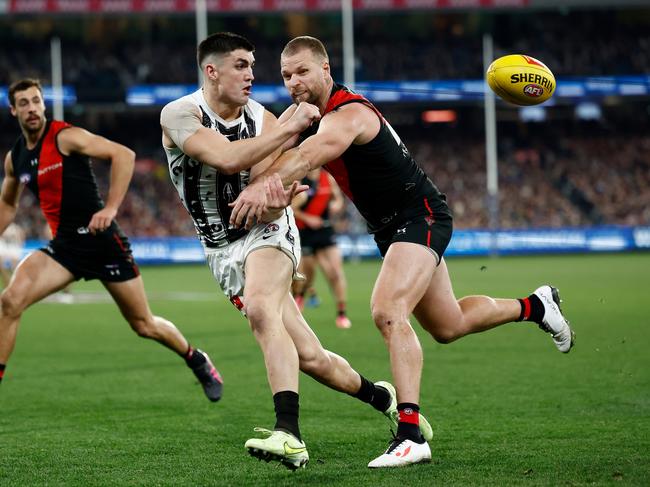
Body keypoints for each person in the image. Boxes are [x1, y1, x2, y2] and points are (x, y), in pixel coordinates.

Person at [229, 36, 576, 468]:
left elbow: (307, 155)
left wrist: (263, 185)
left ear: (325, 69)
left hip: (421, 213)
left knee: (388, 310)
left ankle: (410, 434)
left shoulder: (347, 113)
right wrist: (256, 174)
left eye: (302, 71)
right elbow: (268, 156)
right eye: (285, 75)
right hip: (390, 228)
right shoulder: (299, 117)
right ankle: (536, 306)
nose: (293, 82)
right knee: (448, 324)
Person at [159, 32, 433, 471]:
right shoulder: (181, 114)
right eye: (240, 65)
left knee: (262, 310)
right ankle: (382, 396)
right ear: (211, 71)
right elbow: (228, 159)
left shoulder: (263, 118)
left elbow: (270, 178)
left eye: (252, 65)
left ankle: (289, 434)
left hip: (269, 234)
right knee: (311, 358)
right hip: (221, 249)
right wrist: (290, 126)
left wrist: (279, 193)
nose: (252, 74)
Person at [0, 78, 223, 404]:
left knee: (144, 324)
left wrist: (111, 208)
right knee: (9, 302)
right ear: (13, 109)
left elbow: (123, 155)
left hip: (102, 242)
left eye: (36, 101)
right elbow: (8, 203)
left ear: (43, 105)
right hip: (64, 249)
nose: (32, 108)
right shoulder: (15, 159)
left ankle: (196, 358)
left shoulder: (66, 136)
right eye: (24, 103)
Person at [291, 168, 351, 329]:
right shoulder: (300, 179)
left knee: (335, 272)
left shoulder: (327, 178)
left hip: (325, 230)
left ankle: (341, 314)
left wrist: (335, 205)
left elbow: (338, 199)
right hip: (304, 232)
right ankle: (301, 295)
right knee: (307, 273)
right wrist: (308, 218)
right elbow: (291, 209)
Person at [0, 222, 25, 288]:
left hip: (14, 248)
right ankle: (7, 283)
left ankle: (16, 283)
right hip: (6, 248)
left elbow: (21, 238)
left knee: (15, 267)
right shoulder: (3, 226)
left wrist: (20, 244)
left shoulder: (16, 228)